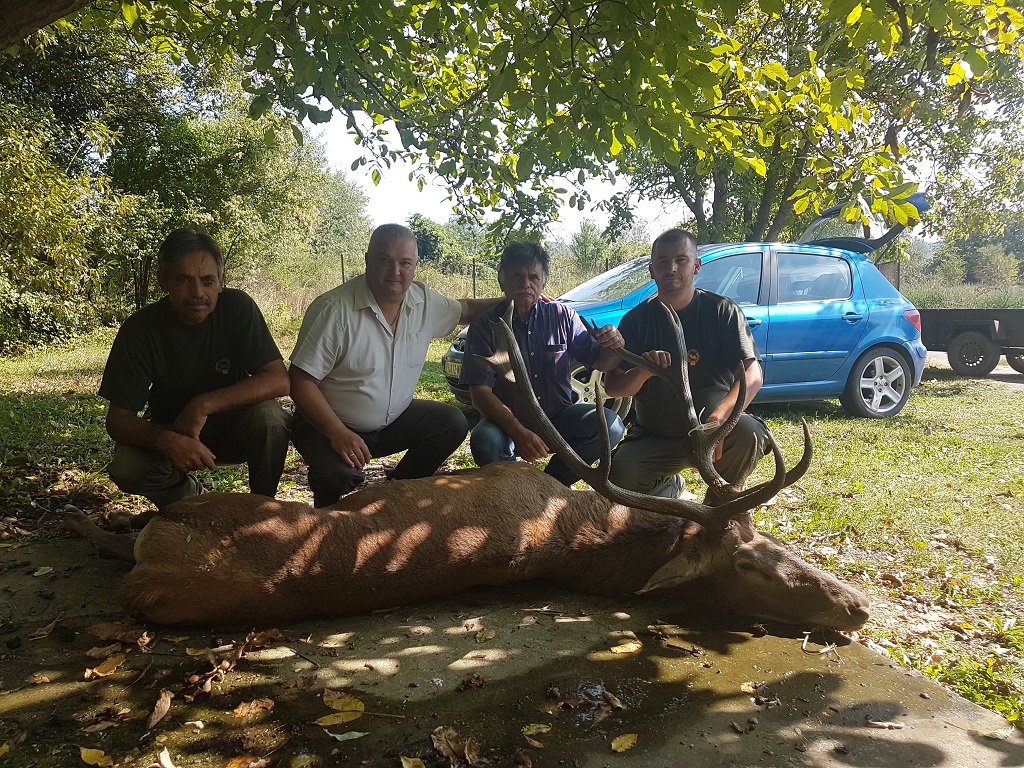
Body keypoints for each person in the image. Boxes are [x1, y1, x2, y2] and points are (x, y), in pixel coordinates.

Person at [289, 223, 500, 508]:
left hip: (392, 421)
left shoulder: (423, 302)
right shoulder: (334, 310)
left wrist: (518, 298)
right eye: (384, 260)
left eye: (405, 263)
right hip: (327, 425)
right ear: (367, 260)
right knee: (337, 476)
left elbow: (467, 309)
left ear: (415, 267)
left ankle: (393, 497)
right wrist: (337, 433)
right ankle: (327, 521)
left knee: (451, 423)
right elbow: (300, 382)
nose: (395, 272)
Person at [98, 229, 292, 512]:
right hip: (173, 429)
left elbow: (279, 379)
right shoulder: (139, 329)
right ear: (164, 281)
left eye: (207, 280)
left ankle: (262, 509)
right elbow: (118, 420)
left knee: (271, 417)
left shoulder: (238, 308)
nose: (197, 293)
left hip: (236, 427)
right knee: (128, 466)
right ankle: (192, 502)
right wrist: (167, 441)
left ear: (221, 283)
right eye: (184, 280)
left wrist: (202, 405)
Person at [604, 228, 770, 500]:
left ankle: (717, 509)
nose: (671, 268)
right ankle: (667, 488)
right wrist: (644, 371)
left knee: (750, 433)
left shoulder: (721, 311)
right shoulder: (635, 320)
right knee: (619, 475)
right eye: (662, 261)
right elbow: (614, 387)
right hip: (655, 436)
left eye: (681, 260)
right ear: (651, 270)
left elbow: (753, 374)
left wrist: (720, 418)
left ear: (696, 266)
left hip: (713, 431)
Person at [459, 242, 627, 486]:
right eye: (516, 276)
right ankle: (512, 491)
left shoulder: (562, 316)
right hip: (506, 423)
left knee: (611, 427)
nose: (525, 284)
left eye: (533, 277)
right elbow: (480, 394)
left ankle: (552, 485)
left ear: (543, 282)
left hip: (559, 417)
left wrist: (614, 345)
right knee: (485, 441)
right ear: (501, 281)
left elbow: (602, 362)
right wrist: (517, 431)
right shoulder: (485, 326)